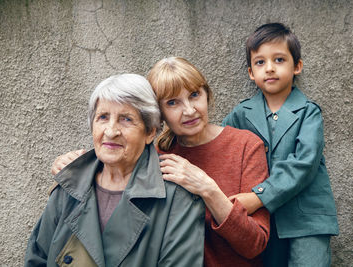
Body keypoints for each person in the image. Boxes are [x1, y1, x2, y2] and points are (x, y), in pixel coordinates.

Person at [52, 58, 270, 267]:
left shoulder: (245, 146)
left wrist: (208, 189)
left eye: (194, 95)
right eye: (173, 102)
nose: (189, 110)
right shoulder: (156, 157)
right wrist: (72, 169)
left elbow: (254, 245)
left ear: (207, 95)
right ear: (158, 115)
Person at [25, 74, 205, 267]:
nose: (111, 131)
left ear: (150, 132)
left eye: (126, 119)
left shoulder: (177, 199)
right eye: (103, 117)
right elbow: (37, 259)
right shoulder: (67, 189)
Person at [223, 23, 339, 267]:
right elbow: (221, 147)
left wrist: (258, 197)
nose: (270, 68)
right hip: (265, 222)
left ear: (297, 66)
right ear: (251, 73)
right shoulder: (241, 115)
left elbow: (304, 164)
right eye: (260, 62)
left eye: (279, 59)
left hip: (308, 218)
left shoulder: (309, 112)